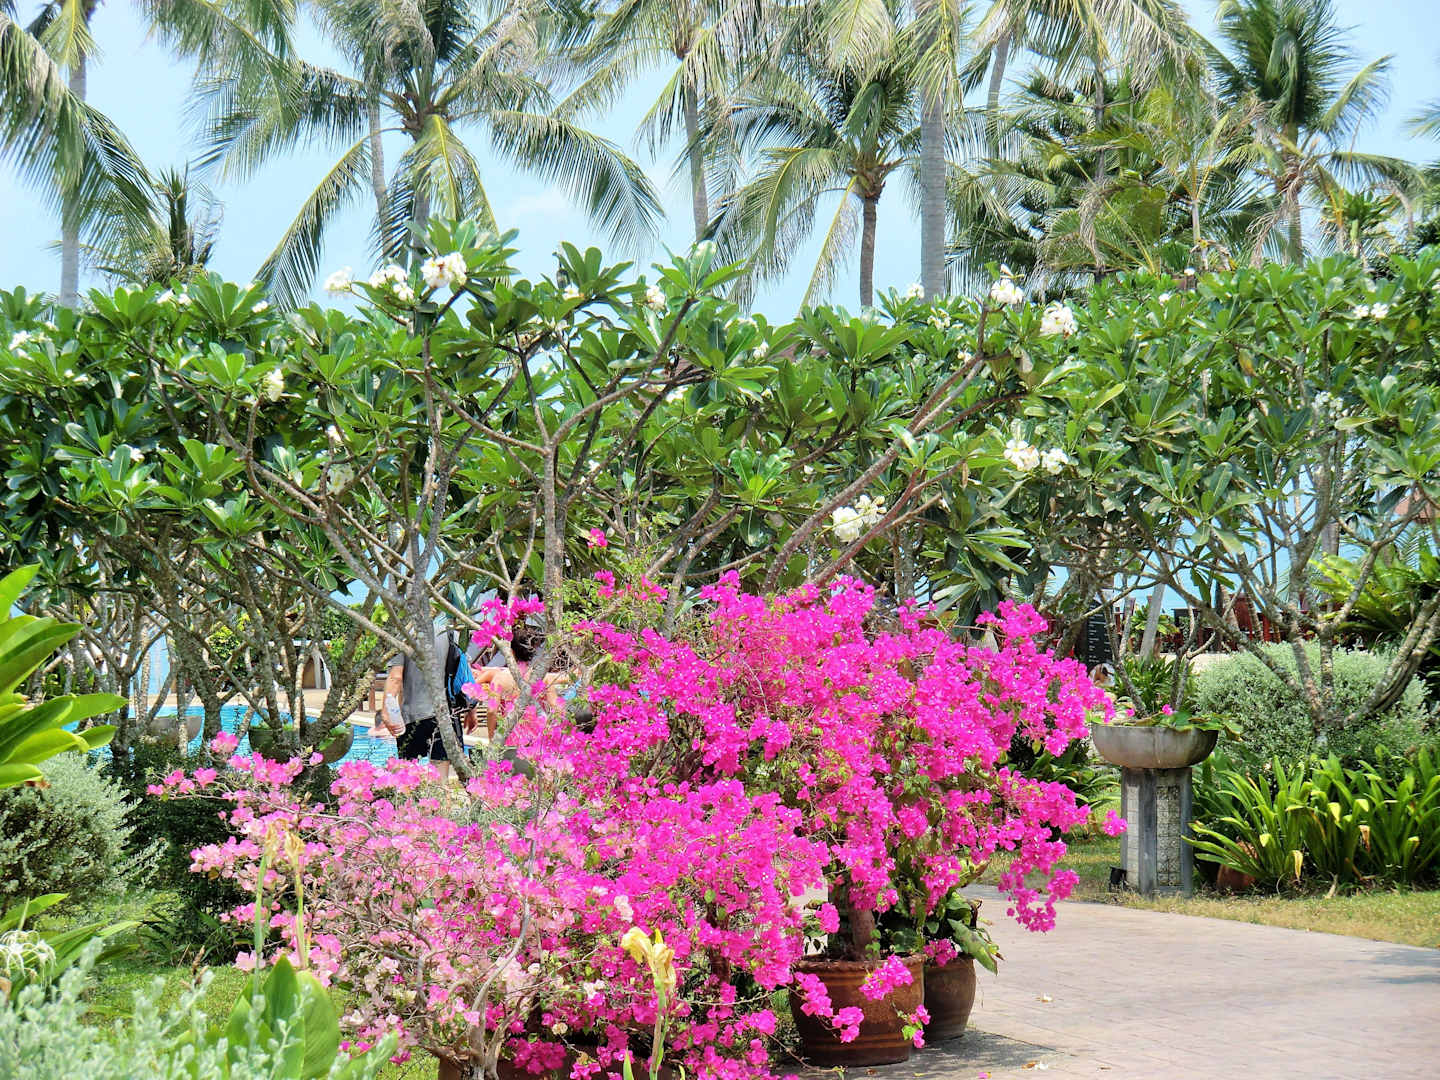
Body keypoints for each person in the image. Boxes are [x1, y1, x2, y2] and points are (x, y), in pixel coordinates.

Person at [380, 627, 470, 776]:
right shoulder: (452, 634)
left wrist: (385, 711)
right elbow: (464, 674)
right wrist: (471, 711)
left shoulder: (402, 633)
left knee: (406, 777)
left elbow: (395, 677)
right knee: (439, 778)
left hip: (413, 716)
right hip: (445, 716)